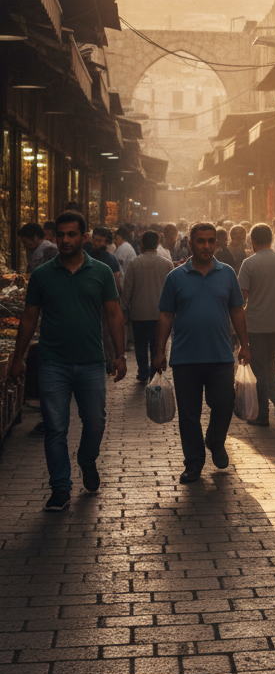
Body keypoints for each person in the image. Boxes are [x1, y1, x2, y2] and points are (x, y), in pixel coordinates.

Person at [7, 210, 126, 511]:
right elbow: (29, 317)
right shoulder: (43, 275)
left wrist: (121, 356)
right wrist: (17, 358)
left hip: (90, 361)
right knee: (56, 427)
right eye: (60, 235)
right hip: (53, 362)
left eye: (72, 234)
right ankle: (60, 487)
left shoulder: (100, 272)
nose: (65, 240)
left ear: (84, 237)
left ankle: (87, 459)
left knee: (95, 422)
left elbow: (113, 314)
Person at [153, 222, 251, 483]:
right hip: (185, 358)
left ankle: (215, 441)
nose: (206, 246)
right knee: (189, 414)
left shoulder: (227, 273)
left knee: (223, 403)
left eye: (210, 241)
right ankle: (193, 463)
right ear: (190, 243)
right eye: (201, 241)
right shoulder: (175, 277)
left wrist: (245, 344)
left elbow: (237, 311)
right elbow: (165, 315)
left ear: (216, 243)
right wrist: (159, 351)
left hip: (220, 355)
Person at [237, 223, 275, 426]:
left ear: (253, 242)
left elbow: (241, 297)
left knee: (259, 367)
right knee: (269, 361)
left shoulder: (249, 264)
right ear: (271, 239)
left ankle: (262, 413)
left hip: (255, 324)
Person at [120, 229, 173, 383]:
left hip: (139, 313)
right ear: (158, 243)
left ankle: (142, 371)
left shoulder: (134, 263)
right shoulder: (167, 264)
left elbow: (128, 288)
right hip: (160, 314)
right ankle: (153, 371)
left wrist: (125, 309)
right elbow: (172, 290)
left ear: (142, 243)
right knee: (157, 345)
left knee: (140, 345)